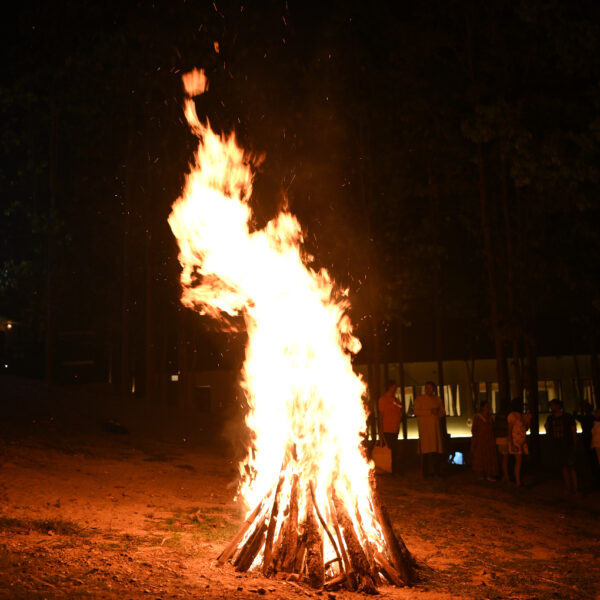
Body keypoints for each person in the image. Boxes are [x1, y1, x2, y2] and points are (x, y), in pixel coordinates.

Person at [544, 399, 578, 494]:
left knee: (571, 467)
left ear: (558, 406)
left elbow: (573, 431)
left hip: (567, 444)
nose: (551, 407)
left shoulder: (567, 417)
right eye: (551, 406)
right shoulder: (550, 418)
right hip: (557, 445)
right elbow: (548, 431)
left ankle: (575, 488)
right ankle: (569, 487)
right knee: (564, 467)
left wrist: (575, 443)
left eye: (553, 405)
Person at [414, 381, 446, 477]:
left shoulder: (437, 399)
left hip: (435, 429)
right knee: (426, 451)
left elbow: (443, 412)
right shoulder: (419, 399)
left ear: (433, 389)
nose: (428, 390)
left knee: (435, 451)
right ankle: (425, 473)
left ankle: (436, 471)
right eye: (426, 388)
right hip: (425, 429)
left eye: (430, 388)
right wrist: (430, 411)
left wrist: (437, 412)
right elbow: (416, 411)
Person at [377, 381, 404, 474]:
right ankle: (389, 469)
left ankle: (394, 469)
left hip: (395, 428)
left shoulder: (396, 400)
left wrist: (399, 412)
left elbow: (401, 409)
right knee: (390, 451)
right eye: (394, 387)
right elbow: (381, 415)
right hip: (387, 428)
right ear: (390, 387)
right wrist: (380, 429)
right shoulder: (383, 399)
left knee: (395, 450)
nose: (396, 389)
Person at [471, 400, 499, 481]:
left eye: (488, 406)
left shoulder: (490, 417)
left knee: (489, 456)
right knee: (481, 456)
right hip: (481, 440)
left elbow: (493, 427)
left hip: (489, 440)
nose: (488, 408)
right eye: (486, 406)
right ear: (482, 407)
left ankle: (489, 474)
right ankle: (481, 474)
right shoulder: (477, 417)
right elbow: (474, 429)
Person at [507, 397, 531, 487]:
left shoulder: (522, 416)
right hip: (516, 440)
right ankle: (518, 481)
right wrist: (511, 443)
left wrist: (528, 421)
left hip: (522, 441)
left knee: (521, 461)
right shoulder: (512, 416)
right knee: (518, 461)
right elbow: (509, 431)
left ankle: (518, 479)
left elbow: (526, 429)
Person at [493, 398, 510, 483]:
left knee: (501, 458)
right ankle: (505, 476)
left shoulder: (498, 414)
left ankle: (501, 474)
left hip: (498, 439)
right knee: (505, 458)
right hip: (504, 439)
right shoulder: (507, 415)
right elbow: (507, 427)